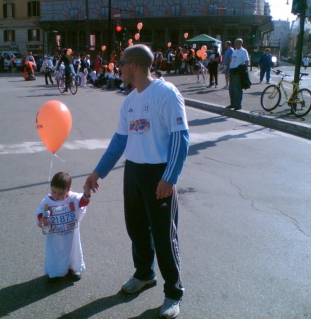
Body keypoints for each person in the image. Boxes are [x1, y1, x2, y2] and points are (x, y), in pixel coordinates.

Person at [85, 44, 189, 319]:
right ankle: (144, 274)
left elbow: (181, 137)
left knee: (164, 236)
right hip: (133, 172)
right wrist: (98, 172)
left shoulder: (166, 94)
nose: (117, 67)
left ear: (134, 65)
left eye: (120, 62)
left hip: (158, 174)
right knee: (137, 229)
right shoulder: (129, 101)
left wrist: (169, 177)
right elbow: (119, 141)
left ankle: (173, 292)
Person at [35, 172, 91, 282]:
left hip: (70, 235)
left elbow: (82, 203)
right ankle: (55, 272)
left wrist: (87, 193)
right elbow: (40, 216)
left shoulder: (72, 198)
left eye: (61, 193)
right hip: (55, 236)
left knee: (72, 252)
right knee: (55, 254)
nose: (56, 195)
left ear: (68, 190)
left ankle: (73, 269)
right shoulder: (47, 201)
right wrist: (43, 220)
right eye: (54, 191)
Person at [227, 38, 249, 110]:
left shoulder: (243, 51)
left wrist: (245, 71)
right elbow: (232, 61)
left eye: (237, 43)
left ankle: (238, 104)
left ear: (240, 43)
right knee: (231, 88)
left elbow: (246, 61)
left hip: (238, 71)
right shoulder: (235, 51)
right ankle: (233, 103)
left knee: (237, 89)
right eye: (235, 43)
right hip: (232, 70)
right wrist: (228, 71)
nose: (235, 44)